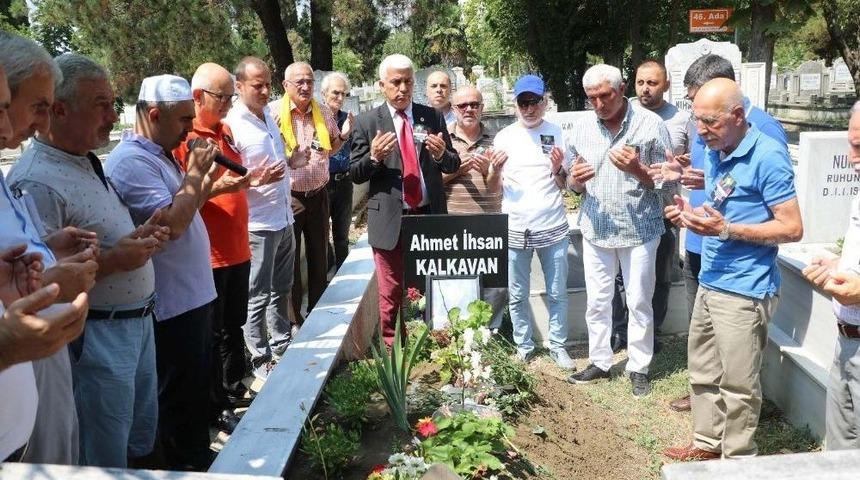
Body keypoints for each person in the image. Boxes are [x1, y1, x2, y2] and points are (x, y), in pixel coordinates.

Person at [7, 53, 168, 468]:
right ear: (61, 110)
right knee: (103, 453)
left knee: (134, 437)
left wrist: (134, 238)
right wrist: (115, 260)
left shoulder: (86, 157)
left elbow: (46, 255)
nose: (113, 115)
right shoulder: (35, 177)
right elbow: (45, 286)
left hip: (135, 323)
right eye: (101, 104)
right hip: (96, 336)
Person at [662, 78, 802, 460]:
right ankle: (707, 444)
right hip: (710, 278)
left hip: (744, 288)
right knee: (703, 370)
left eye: (709, 122)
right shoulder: (716, 148)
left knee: (739, 384)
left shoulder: (769, 156)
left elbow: (791, 227)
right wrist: (688, 215)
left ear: (738, 115)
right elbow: (724, 198)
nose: (701, 131)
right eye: (697, 121)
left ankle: (738, 458)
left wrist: (727, 229)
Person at [105, 74, 218, 471]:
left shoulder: (160, 153)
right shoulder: (131, 162)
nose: (191, 128)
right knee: (178, 400)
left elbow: (190, 205)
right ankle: (186, 466)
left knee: (196, 392)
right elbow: (173, 225)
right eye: (185, 119)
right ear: (154, 114)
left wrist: (200, 176)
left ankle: (198, 456)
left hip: (193, 295)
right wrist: (193, 177)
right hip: (172, 305)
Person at [0, 32, 99, 465]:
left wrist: (48, 250)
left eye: (5, 108)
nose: (10, 127)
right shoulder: (33, 172)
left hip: (22, 404)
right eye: (39, 106)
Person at [173, 62, 274, 434]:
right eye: (224, 96)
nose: (230, 102)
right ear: (198, 97)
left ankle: (235, 385)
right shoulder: (187, 139)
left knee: (234, 324)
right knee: (213, 333)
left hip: (237, 247)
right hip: (211, 254)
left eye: (232, 95)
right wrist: (227, 188)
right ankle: (217, 404)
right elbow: (187, 198)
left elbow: (238, 178)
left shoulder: (225, 131)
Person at [567, 64, 673, 396]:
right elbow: (571, 182)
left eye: (605, 95)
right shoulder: (581, 130)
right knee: (598, 300)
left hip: (640, 226)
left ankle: (639, 365)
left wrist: (638, 169)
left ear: (622, 88)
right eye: (592, 98)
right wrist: (575, 181)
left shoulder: (651, 125)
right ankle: (600, 360)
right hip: (597, 227)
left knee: (640, 300)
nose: (599, 104)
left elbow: (666, 183)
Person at [350, 54, 459, 346]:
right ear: (382, 85)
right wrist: (374, 157)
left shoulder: (431, 116)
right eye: (395, 82)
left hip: (428, 217)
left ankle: (438, 345)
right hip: (389, 220)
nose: (402, 88)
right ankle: (394, 349)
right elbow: (356, 173)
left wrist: (439, 154)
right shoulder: (367, 121)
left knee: (432, 285)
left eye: (408, 81)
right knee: (391, 290)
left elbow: (452, 163)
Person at [610, 60, 691, 353]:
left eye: (653, 83)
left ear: (666, 85)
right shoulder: (624, 114)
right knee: (620, 278)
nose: (645, 89)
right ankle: (621, 331)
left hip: (663, 212)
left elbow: (695, 160)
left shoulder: (681, 119)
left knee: (658, 275)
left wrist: (684, 164)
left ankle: (651, 331)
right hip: (628, 211)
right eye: (641, 82)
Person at [494, 74, 573, 369]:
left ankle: (558, 345)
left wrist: (556, 169)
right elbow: (494, 185)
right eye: (523, 102)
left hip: (552, 226)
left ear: (545, 101)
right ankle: (524, 345)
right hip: (516, 227)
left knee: (557, 292)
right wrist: (493, 169)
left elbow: (566, 184)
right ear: (515, 104)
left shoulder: (558, 133)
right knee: (517, 293)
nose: (529, 109)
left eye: (535, 102)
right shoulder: (504, 137)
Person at [224, 57, 294, 381]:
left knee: (282, 287)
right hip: (258, 224)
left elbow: (278, 161)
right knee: (258, 294)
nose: (266, 91)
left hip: (283, 216)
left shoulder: (268, 114)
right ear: (239, 86)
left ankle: (282, 345)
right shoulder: (232, 125)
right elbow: (226, 179)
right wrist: (255, 180)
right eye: (258, 85)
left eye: (268, 83)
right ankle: (259, 356)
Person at [802, 101, 860, 450]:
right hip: (845, 339)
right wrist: (839, 266)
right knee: (840, 454)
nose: (855, 158)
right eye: (854, 144)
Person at [270, 62, 343, 324]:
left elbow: (332, 147)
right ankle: (294, 320)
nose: (305, 87)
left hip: (319, 194)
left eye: (309, 82)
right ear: (285, 85)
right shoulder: (273, 114)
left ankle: (318, 310)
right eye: (299, 82)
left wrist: (341, 139)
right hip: (290, 198)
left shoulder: (322, 111)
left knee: (319, 255)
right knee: (290, 260)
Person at [444, 86, 507, 330]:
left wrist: (487, 171)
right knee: (457, 280)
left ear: (482, 108)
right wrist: (457, 170)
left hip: (489, 221)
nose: (469, 109)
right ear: (453, 109)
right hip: (453, 220)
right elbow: (431, 183)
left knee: (494, 282)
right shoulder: (443, 140)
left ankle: (489, 332)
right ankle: (460, 332)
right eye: (462, 105)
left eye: (474, 104)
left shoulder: (497, 140)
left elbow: (497, 188)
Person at [321, 72, 355, 272]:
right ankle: (328, 268)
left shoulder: (347, 119)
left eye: (344, 94)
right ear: (324, 93)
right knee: (322, 234)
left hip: (344, 181)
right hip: (322, 183)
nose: (340, 98)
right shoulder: (316, 119)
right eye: (336, 93)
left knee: (342, 234)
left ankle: (343, 271)